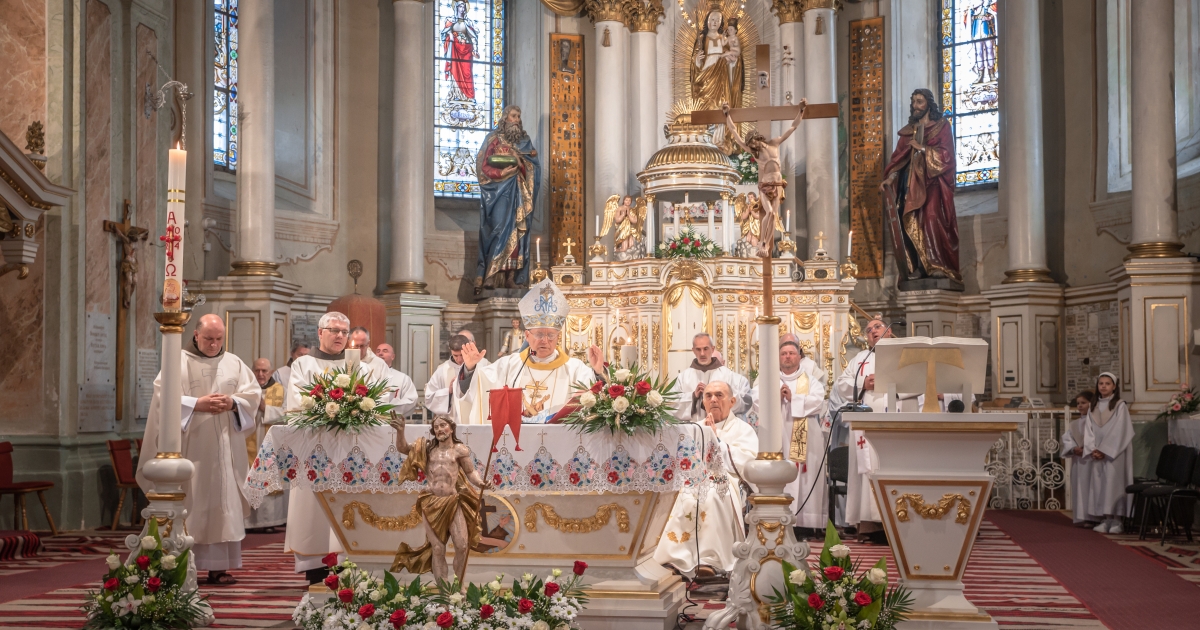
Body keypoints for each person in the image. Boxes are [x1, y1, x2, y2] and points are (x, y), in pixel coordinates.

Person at [136, 314, 261, 586]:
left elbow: (252, 396)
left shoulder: (234, 363)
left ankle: (218, 568)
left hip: (225, 450)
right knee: (193, 505)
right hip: (191, 450)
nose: (214, 344)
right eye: (208, 339)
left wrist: (233, 403)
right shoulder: (177, 361)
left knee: (223, 507)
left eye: (218, 339)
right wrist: (195, 404)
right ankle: (181, 565)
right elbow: (162, 398)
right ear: (196, 335)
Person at [284, 312, 390, 582]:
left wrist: (353, 409)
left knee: (348, 503)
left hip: (349, 449)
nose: (340, 336)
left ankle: (347, 562)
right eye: (334, 330)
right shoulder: (303, 364)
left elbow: (374, 403)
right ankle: (315, 567)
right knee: (314, 508)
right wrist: (328, 410)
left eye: (344, 332)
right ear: (320, 333)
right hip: (315, 446)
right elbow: (297, 402)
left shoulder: (360, 367)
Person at [457, 280, 604, 432]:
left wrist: (598, 372)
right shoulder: (509, 365)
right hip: (515, 439)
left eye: (551, 335)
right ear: (527, 335)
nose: (545, 340)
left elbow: (595, 400)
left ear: (558, 337)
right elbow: (478, 387)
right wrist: (470, 368)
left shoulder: (574, 369)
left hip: (559, 439)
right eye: (539, 334)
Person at [654, 381, 759, 577]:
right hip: (693, 478)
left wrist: (716, 440)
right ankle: (675, 558)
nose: (713, 400)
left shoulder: (743, 430)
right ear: (703, 402)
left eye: (719, 395)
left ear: (732, 401)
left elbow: (746, 464)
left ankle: (710, 559)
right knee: (680, 496)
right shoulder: (694, 428)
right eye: (708, 396)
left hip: (727, 479)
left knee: (711, 495)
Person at [390, 415, 490, 584]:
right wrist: (400, 431)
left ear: (451, 428)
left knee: (462, 546)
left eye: (443, 425)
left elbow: (470, 471)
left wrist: (480, 482)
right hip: (431, 502)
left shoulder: (459, 450)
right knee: (437, 548)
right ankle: (443, 590)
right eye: (436, 427)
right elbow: (404, 448)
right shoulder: (427, 448)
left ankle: (459, 586)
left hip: (452, 501)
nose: (439, 430)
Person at [880, 89, 961, 285]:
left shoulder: (941, 126)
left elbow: (947, 157)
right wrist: (890, 178)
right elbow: (898, 160)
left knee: (932, 218)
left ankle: (937, 265)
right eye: (914, 102)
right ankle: (917, 267)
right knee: (908, 220)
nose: (915, 106)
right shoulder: (907, 132)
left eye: (920, 102)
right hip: (909, 186)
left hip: (933, 184)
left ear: (928, 105)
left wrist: (923, 149)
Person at [751, 340, 827, 532]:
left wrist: (794, 398)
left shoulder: (811, 381)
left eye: (792, 353)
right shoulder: (768, 380)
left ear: (799, 356)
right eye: (783, 353)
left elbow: (818, 402)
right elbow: (756, 401)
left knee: (805, 476)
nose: (787, 357)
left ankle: (806, 523)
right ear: (778, 357)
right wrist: (775, 397)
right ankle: (776, 519)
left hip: (805, 437)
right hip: (776, 436)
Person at [832, 317, 892, 541]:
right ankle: (869, 525)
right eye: (868, 330)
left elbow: (917, 382)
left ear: (889, 331)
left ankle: (893, 523)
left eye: (877, 327)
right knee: (867, 470)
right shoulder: (860, 358)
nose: (872, 332)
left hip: (893, 420)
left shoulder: (903, 354)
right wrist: (863, 384)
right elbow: (842, 384)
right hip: (865, 424)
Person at [474, 105, 540, 293]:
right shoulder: (493, 139)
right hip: (498, 193)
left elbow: (533, 168)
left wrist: (520, 162)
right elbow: (482, 166)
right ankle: (490, 275)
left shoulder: (525, 142)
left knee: (516, 233)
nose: (517, 120)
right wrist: (501, 173)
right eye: (513, 116)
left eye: (518, 116)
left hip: (518, 192)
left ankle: (512, 277)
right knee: (498, 229)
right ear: (505, 118)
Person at [1084, 374, 1133, 534]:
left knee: (1113, 484)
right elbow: (1089, 429)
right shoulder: (1094, 405)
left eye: (1107, 383)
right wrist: (1092, 448)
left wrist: (1105, 450)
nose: (1104, 386)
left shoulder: (1120, 405)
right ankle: (1106, 519)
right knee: (1100, 484)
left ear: (1114, 386)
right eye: (1101, 383)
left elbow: (1121, 429)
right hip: (1098, 451)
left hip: (1114, 452)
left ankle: (1117, 520)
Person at [245, 358, 288, 532]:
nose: (260, 374)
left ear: (271, 372)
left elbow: (288, 415)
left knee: (268, 478)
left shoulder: (281, 390)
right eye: (257, 370)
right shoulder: (246, 390)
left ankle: (269, 521)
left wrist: (266, 409)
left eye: (264, 371)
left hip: (270, 443)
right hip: (247, 442)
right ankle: (248, 522)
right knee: (249, 477)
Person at [670, 333, 751, 423]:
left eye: (706, 349)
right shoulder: (683, 378)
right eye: (698, 349)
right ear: (693, 350)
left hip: (721, 428)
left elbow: (744, 403)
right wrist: (693, 397)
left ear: (712, 349)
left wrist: (714, 394)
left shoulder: (728, 376)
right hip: (693, 428)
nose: (702, 353)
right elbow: (671, 405)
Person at [425, 332, 489, 422]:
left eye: (462, 355)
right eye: (455, 355)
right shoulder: (442, 370)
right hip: (452, 421)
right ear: (450, 350)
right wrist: (448, 391)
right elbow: (429, 398)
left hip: (475, 418)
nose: (459, 359)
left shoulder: (482, 366)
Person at [1061, 391, 1097, 525]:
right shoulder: (1074, 423)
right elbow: (1067, 438)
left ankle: (1094, 517)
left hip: (1092, 459)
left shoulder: (1097, 421)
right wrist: (1073, 448)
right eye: (1078, 403)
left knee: (1091, 487)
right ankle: (1082, 516)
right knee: (1080, 488)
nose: (1080, 406)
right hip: (1079, 459)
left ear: (1092, 403)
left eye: (1083, 403)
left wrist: (1087, 449)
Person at [369, 339, 419, 416]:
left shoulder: (403, 378)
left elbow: (411, 400)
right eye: (378, 351)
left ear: (393, 356)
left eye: (385, 351)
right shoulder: (368, 374)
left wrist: (388, 409)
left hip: (393, 419)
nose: (380, 353)